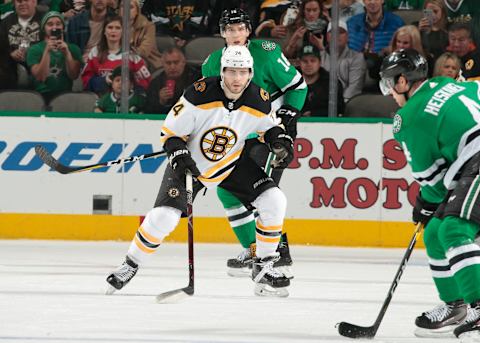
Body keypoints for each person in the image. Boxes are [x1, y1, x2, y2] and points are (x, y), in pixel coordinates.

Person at [105, 45, 294, 297]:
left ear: (250, 74)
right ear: (222, 72)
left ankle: (263, 264)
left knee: (274, 199)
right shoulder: (199, 94)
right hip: (190, 166)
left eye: (242, 72)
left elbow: (268, 127)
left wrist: (279, 141)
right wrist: (179, 153)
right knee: (164, 217)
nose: (236, 79)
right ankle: (130, 265)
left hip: (230, 164)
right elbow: (170, 132)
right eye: (231, 72)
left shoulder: (258, 98)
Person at [379, 47, 480, 339]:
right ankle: (455, 305)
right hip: (471, 159)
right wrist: (431, 206)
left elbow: (432, 181)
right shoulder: (444, 83)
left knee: (454, 229)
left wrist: (426, 201)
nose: (389, 92)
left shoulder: (408, 116)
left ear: (402, 81)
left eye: (389, 83)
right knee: (436, 232)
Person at [202, 8, 307, 277]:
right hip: (239, 135)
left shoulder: (267, 52)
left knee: (263, 193)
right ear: (222, 33)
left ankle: (277, 253)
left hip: (271, 134)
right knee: (228, 189)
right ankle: (254, 247)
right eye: (229, 29)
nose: (235, 35)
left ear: (248, 31)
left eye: (240, 29)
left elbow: (298, 85)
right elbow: (208, 106)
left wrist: (288, 115)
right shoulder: (211, 63)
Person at [81, 15, 151, 95]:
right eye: (110, 27)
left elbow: (145, 82)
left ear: (123, 32)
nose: (113, 31)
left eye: (117, 28)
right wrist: (103, 81)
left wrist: (130, 87)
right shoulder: (95, 52)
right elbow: (86, 81)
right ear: (104, 31)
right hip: (102, 100)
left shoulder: (132, 55)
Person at [26, 11, 82, 102]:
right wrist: (47, 51)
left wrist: (67, 53)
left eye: (58, 24)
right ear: (44, 28)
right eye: (50, 24)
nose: (54, 27)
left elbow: (74, 75)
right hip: (41, 96)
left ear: (63, 27)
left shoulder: (73, 49)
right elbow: (41, 77)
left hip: (66, 95)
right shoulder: (34, 49)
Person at [319, 19, 366, 102]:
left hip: (347, 103)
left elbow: (354, 87)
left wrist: (340, 104)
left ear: (347, 36)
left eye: (340, 32)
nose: (336, 36)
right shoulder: (319, 56)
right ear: (327, 36)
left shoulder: (357, 57)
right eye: (332, 32)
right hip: (321, 102)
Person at [0, 0, 44, 85]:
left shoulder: (45, 21)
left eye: (26, 0)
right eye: (19, 1)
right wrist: (11, 53)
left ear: (34, 2)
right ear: (14, 3)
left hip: (38, 65)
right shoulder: (5, 22)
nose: (23, 4)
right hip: (10, 68)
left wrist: (32, 54)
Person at [145, 47, 199, 114]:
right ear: (163, 64)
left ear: (183, 62)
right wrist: (161, 102)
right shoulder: (156, 83)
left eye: (176, 62)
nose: (172, 67)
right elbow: (148, 112)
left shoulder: (196, 79)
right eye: (168, 63)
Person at [141, 0, 210, 47]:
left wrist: (185, 37)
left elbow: (197, 22)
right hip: (166, 40)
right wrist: (172, 40)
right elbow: (160, 23)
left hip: (193, 39)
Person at [299, 44, 344, 116]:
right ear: (299, 63)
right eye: (305, 61)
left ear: (320, 63)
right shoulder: (291, 82)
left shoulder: (332, 83)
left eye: (313, 60)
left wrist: (314, 114)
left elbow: (339, 109)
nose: (309, 64)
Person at [119, 0, 162, 71]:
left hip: (148, 61)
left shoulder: (148, 26)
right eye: (122, 6)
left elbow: (144, 51)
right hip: (121, 59)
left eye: (130, 7)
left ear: (137, 11)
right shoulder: (114, 25)